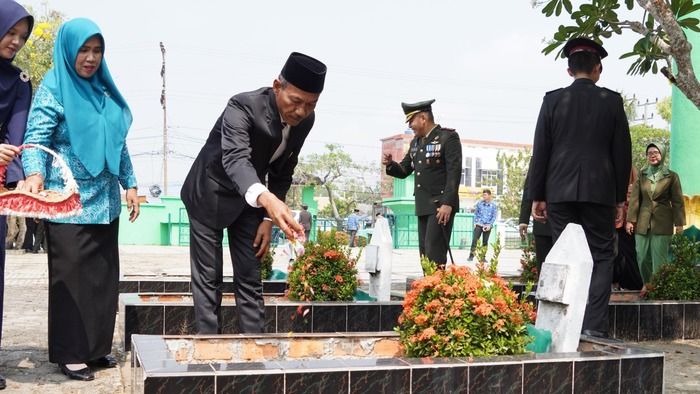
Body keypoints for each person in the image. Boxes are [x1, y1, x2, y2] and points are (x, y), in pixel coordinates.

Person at [22, 18, 140, 381]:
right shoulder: (54, 89)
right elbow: (36, 137)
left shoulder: (104, 92)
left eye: (97, 51)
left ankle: (96, 348)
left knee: (101, 280)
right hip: (68, 202)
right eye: (84, 51)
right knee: (70, 281)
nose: (90, 58)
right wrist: (34, 175)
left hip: (104, 203)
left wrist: (130, 183)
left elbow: (117, 143)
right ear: (69, 50)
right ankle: (71, 353)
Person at [181, 52, 326, 334]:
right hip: (210, 192)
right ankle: (210, 348)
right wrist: (267, 199)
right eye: (295, 101)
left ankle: (254, 348)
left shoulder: (306, 120)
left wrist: (268, 219)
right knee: (209, 277)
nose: (301, 112)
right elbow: (235, 159)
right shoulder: (242, 106)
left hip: (252, 200)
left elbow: (284, 170)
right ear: (277, 86)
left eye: (310, 104)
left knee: (249, 275)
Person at [529, 38, 631, 338]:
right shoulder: (611, 101)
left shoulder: (552, 100)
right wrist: (620, 200)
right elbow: (621, 154)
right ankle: (593, 327)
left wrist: (538, 195)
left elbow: (541, 150)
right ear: (598, 69)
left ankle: (564, 326)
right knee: (601, 256)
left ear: (569, 70)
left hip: (559, 191)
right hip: (600, 192)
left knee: (565, 254)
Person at [383, 99, 462, 267]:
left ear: (423, 118)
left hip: (441, 206)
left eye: (412, 120)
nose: (410, 125)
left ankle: (438, 290)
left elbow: (454, 173)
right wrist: (391, 165)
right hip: (423, 206)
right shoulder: (416, 143)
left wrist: (447, 203)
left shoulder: (448, 138)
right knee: (425, 254)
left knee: (435, 252)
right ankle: (428, 289)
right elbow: (405, 170)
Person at [0, 1, 32, 388]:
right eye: (10, 32)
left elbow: (17, 136)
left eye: (21, 37)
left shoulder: (19, 81)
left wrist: (21, 181)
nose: (16, 42)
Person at [626, 142, 685, 292]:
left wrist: (679, 223)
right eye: (650, 153)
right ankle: (648, 284)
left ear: (663, 154)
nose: (652, 155)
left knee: (659, 259)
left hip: (663, 222)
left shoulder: (671, 176)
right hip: (642, 221)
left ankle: (658, 288)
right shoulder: (642, 174)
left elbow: (678, 201)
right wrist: (630, 220)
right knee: (642, 256)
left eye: (656, 152)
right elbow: (635, 198)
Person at [612, 168, 643, 291]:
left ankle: (634, 285)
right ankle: (617, 282)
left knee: (630, 256)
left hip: (630, 225)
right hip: (616, 224)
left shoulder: (635, 178)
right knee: (616, 254)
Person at [519, 172, 553, 270]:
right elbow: (531, 183)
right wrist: (524, 219)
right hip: (543, 220)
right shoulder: (541, 157)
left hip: (575, 222)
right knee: (544, 269)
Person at [468, 189, 498, 261]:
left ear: (489, 195)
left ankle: (483, 257)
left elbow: (494, 216)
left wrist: (489, 225)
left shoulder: (493, 205)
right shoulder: (479, 203)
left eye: (485, 195)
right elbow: (476, 214)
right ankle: (471, 256)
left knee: (485, 242)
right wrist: (475, 222)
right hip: (479, 224)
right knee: (475, 240)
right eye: (483, 194)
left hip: (487, 226)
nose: (483, 196)